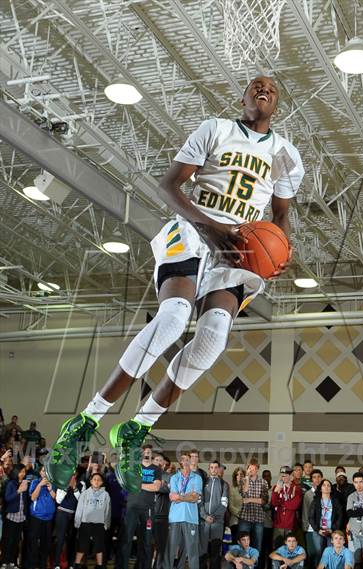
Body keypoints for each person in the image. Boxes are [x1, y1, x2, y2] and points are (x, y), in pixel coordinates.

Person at [46, 75, 304, 493]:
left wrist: (279, 252)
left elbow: (280, 216)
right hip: (190, 231)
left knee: (213, 340)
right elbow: (169, 185)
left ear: (278, 103)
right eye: (256, 86)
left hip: (235, 253)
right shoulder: (215, 129)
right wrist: (210, 227)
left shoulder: (287, 156)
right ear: (242, 98)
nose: (264, 90)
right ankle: (87, 419)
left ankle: (134, 429)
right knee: (174, 317)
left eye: (272, 89)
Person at [118, 444, 162, 569]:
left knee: (147, 542)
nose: (147, 453)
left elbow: (156, 487)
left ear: (151, 454)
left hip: (147, 508)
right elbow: (128, 483)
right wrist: (145, 485)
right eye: (145, 451)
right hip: (132, 507)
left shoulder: (156, 469)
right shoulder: (134, 467)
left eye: (149, 451)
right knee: (126, 539)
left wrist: (138, 484)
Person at [167, 451, 203, 568]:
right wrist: (188, 496)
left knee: (192, 550)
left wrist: (180, 497)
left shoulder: (197, 478)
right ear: (181, 461)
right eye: (184, 459)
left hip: (191, 518)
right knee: (171, 550)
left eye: (189, 459)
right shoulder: (174, 477)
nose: (186, 461)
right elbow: (173, 497)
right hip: (175, 518)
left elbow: (195, 498)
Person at [74, 472, 111, 569]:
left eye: (99, 480)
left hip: (99, 524)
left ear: (102, 482)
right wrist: (77, 522)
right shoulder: (85, 493)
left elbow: (107, 510)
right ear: (90, 481)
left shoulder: (106, 495)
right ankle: (77, 564)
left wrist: (106, 524)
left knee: (99, 546)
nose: (96, 481)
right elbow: (79, 509)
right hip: (85, 523)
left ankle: (99, 566)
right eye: (94, 479)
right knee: (82, 545)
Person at [199, 460, 229, 569]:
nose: (214, 469)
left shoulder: (223, 484)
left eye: (216, 467)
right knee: (202, 551)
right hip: (204, 522)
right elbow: (199, 501)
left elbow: (224, 503)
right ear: (209, 469)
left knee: (215, 552)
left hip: (217, 523)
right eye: (211, 467)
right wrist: (205, 516)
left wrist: (214, 516)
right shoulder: (203, 482)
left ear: (219, 469)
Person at [27, 466, 56, 569]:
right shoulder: (35, 482)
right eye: (43, 470)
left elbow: (56, 498)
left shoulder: (53, 482)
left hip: (49, 518)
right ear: (40, 472)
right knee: (34, 542)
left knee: (46, 543)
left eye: (47, 470)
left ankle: (43, 564)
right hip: (36, 517)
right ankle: (32, 564)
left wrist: (50, 488)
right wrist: (40, 485)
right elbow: (33, 497)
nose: (45, 472)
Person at [238, 458, 269, 555]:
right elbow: (244, 494)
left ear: (257, 469)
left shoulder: (264, 482)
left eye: (253, 468)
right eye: (249, 468)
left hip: (259, 518)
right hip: (245, 517)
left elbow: (264, 501)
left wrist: (250, 499)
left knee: (257, 545)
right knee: (242, 544)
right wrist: (247, 477)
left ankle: (255, 565)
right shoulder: (243, 481)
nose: (251, 470)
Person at [308, 479, 343, 565]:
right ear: (320, 488)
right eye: (324, 485)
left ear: (331, 489)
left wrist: (333, 529)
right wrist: (317, 529)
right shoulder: (316, 501)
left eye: (328, 485)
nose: (326, 487)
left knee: (331, 553)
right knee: (319, 552)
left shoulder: (335, 501)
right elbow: (311, 517)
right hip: (318, 531)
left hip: (331, 531)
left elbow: (340, 516)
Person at [54, 473, 84, 569]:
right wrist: (66, 488)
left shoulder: (81, 484)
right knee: (60, 539)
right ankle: (56, 564)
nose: (71, 477)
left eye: (74, 475)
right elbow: (58, 500)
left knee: (72, 540)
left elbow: (81, 500)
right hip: (62, 514)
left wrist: (75, 488)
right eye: (69, 474)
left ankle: (71, 564)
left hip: (74, 515)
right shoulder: (61, 484)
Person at [1, 464, 28, 568]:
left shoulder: (25, 483)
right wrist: (18, 491)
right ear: (16, 472)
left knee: (16, 541)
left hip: (21, 517)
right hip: (11, 516)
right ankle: (4, 562)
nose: (23, 474)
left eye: (24, 472)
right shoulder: (11, 483)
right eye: (21, 472)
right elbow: (8, 498)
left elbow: (25, 501)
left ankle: (13, 562)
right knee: (8, 540)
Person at [272, 466, 302, 547]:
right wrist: (276, 491)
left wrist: (281, 502)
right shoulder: (276, 487)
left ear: (291, 475)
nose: (283, 477)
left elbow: (294, 506)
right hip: (278, 523)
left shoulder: (296, 488)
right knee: (277, 548)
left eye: (285, 475)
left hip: (291, 523)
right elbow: (274, 503)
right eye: (282, 475)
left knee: (290, 548)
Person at [152, 451, 171, 569]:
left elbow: (169, 490)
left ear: (164, 463)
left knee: (161, 545)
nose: (159, 462)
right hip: (148, 514)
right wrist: (161, 485)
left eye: (161, 460)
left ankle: (158, 566)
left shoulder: (169, 476)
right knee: (147, 544)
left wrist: (158, 486)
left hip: (162, 516)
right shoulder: (147, 474)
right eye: (156, 460)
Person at [302, 469, 323, 569]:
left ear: (322, 478)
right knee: (312, 553)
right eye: (314, 477)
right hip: (311, 528)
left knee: (321, 553)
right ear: (311, 480)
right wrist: (306, 526)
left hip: (323, 528)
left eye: (319, 477)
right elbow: (305, 511)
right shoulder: (308, 494)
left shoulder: (326, 492)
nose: (317, 479)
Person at [230, 468, 246, 544]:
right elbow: (230, 506)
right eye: (237, 475)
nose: (239, 476)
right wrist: (240, 514)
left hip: (247, 520)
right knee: (236, 543)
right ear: (235, 477)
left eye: (241, 475)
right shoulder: (232, 489)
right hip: (235, 520)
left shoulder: (247, 489)